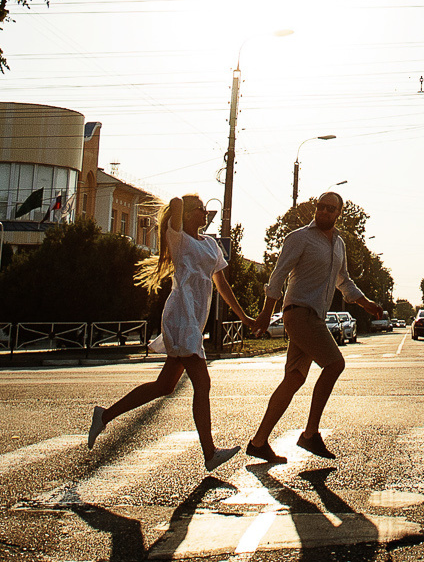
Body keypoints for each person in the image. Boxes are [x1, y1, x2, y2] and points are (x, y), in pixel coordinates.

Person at [85, 194, 252, 471]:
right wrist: (181, 205)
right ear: (186, 215)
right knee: (203, 382)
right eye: (200, 210)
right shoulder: (178, 239)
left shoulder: (210, 244)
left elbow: (221, 284)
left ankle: (104, 415)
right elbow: (175, 202)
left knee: (164, 386)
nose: (205, 214)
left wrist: (243, 316)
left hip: (195, 318)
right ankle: (210, 453)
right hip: (181, 316)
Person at [246, 191, 370, 463]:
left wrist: (365, 302)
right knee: (335, 364)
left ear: (339, 213)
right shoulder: (299, 237)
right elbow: (277, 276)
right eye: (320, 207)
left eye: (330, 208)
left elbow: (343, 280)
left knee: (294, 378)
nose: (324, 212)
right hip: (299, 313)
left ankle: (258, 442)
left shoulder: (338, 244)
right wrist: (266, 313)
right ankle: (310, 434)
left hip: (313, 317)